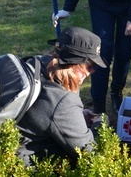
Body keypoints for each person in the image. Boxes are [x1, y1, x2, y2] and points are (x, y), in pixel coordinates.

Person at [16, 26, 108, 166]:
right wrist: (99, 124)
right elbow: (90, 153)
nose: (91, 72)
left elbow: (47, 113)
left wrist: (76, 116)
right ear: (75, 63)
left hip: (7, 149)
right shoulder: (63, 101)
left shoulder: (36, 63)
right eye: (90, 66)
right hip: (26, 167)